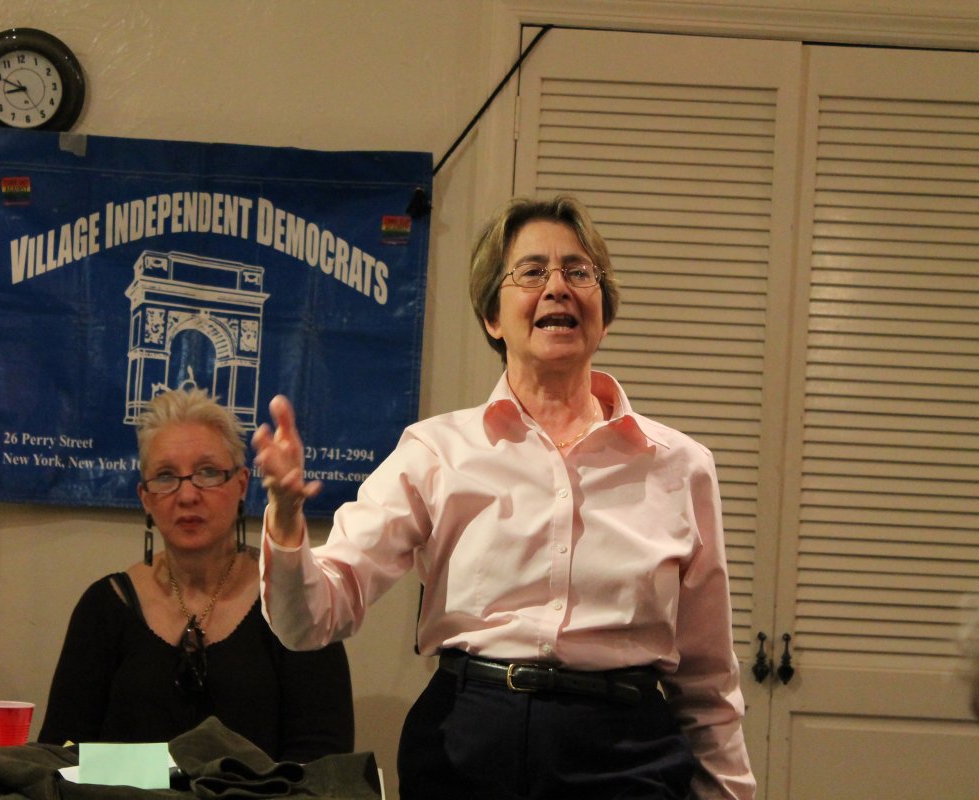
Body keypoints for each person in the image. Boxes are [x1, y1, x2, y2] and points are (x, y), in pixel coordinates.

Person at [252, 195, 755, 798]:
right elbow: (310, 620)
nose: (557, 288)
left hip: (626, 757)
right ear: (493, 315)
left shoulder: (681, 466)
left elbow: (709, 682)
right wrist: (285, 520)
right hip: (468, 747)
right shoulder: (437, 452)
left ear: (604, 307)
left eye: (578, 271)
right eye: (532, 272)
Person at [38, 388, 354, 763]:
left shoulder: (297, 603)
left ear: (241, 484)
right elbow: (60, 757)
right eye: (166, 476)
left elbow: (321, 766)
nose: (187, 495)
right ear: (145, 497)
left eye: (207, 473)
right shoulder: (104, 608)